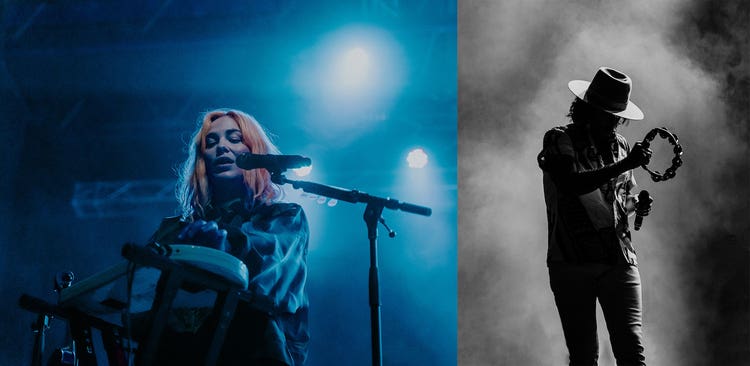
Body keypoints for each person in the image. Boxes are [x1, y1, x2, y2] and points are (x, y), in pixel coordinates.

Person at [146, 109, 309, 366]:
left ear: (255, 151)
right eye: (211, 143)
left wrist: (222, 253)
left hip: (258, 353)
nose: (221, 146)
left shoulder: (284, 218)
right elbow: (141, 290)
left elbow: (267, 280)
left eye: (234, 139)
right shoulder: (177, 229)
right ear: (202, 160)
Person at [537, 67, 653, 365]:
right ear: (587, 109)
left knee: (631, 348)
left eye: (617, 115)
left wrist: (636, 204)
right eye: (607, 114)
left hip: (619, 258)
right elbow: (570, 185)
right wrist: (624, 164)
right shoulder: (558, 139)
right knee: (584, 355)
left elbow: (617, 201)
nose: (614, 121)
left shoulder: (622, 146)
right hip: (571, 261)